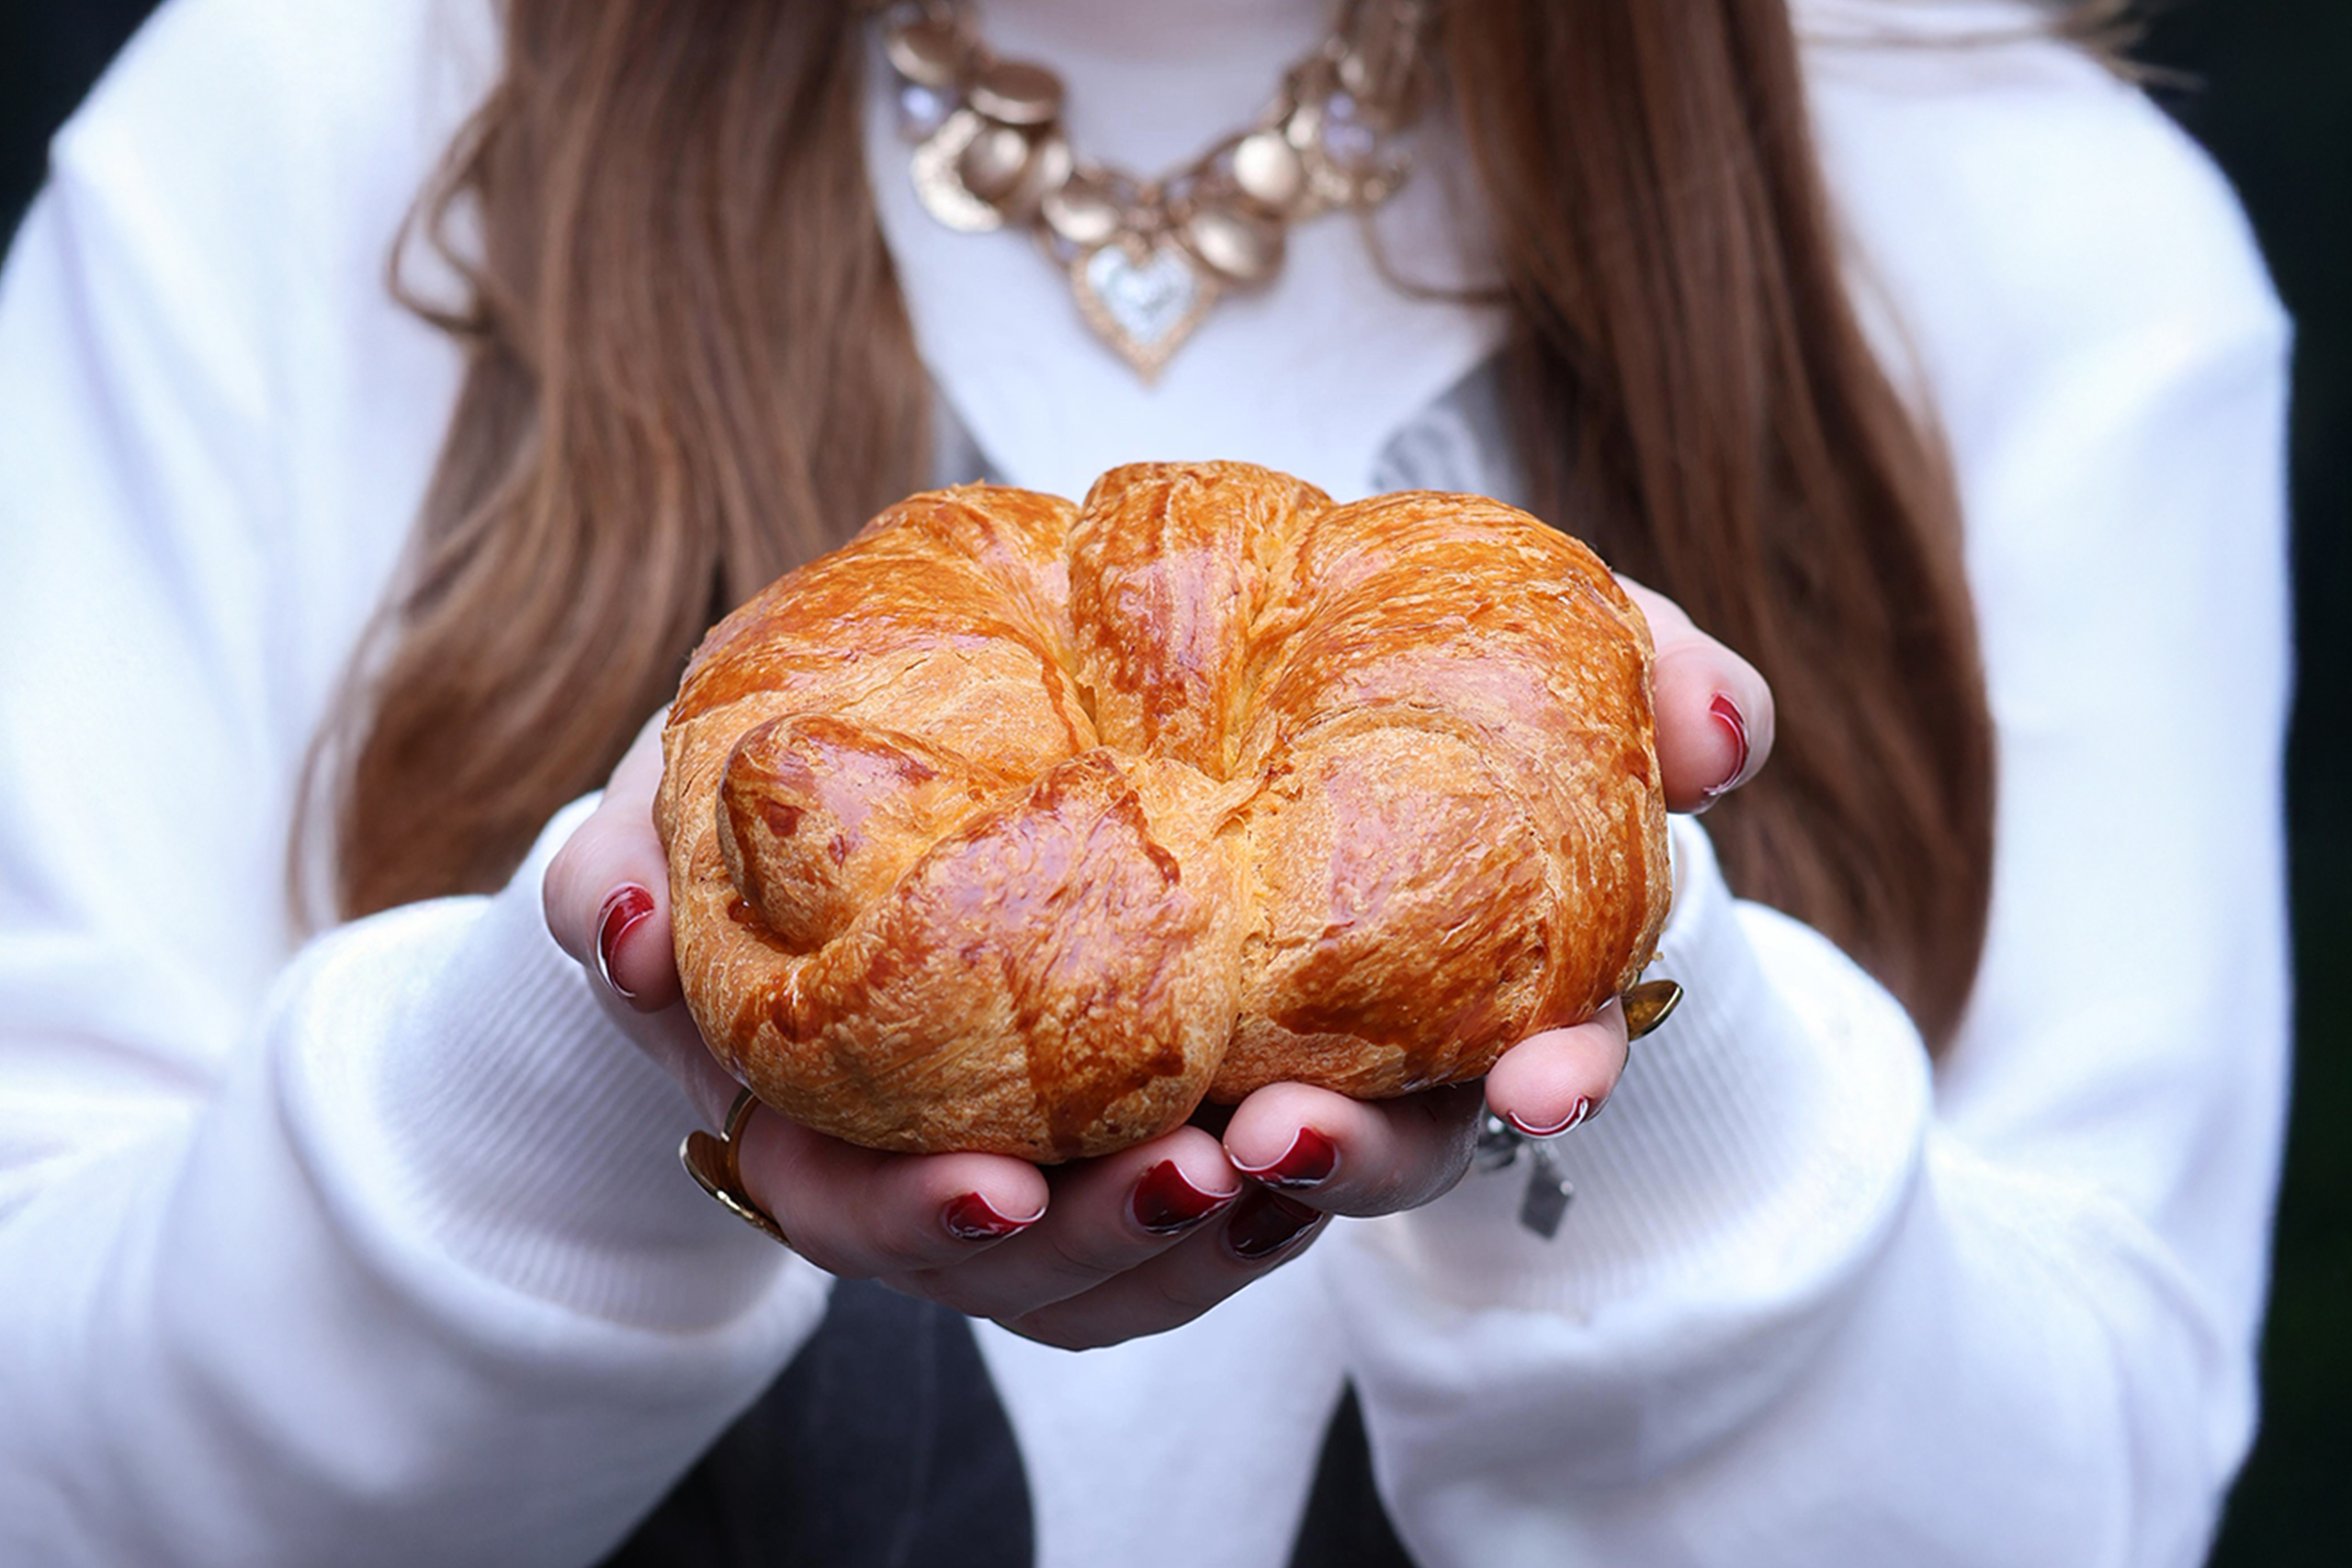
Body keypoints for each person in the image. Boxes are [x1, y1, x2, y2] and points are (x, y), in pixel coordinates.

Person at [0, 0, 2290, 1563]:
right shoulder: (315, 113)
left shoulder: (2012, 220)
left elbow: (2086, 1506)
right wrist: (600, 1050)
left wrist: (1592, 962)